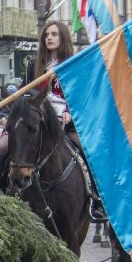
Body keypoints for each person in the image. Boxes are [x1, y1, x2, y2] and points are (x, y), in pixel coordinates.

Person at [22, 21, 104, 219]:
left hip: (65, 122)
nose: (49, 38)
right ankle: (3, 195)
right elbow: (26, 93)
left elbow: (82, 96)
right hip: (38, 121)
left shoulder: (74, 64)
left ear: (63, 38)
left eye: (54, 34)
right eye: (46, 35)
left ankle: (96, 200)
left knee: (87, 153)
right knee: (0, 151)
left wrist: (70, 112)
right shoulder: (34, 65)